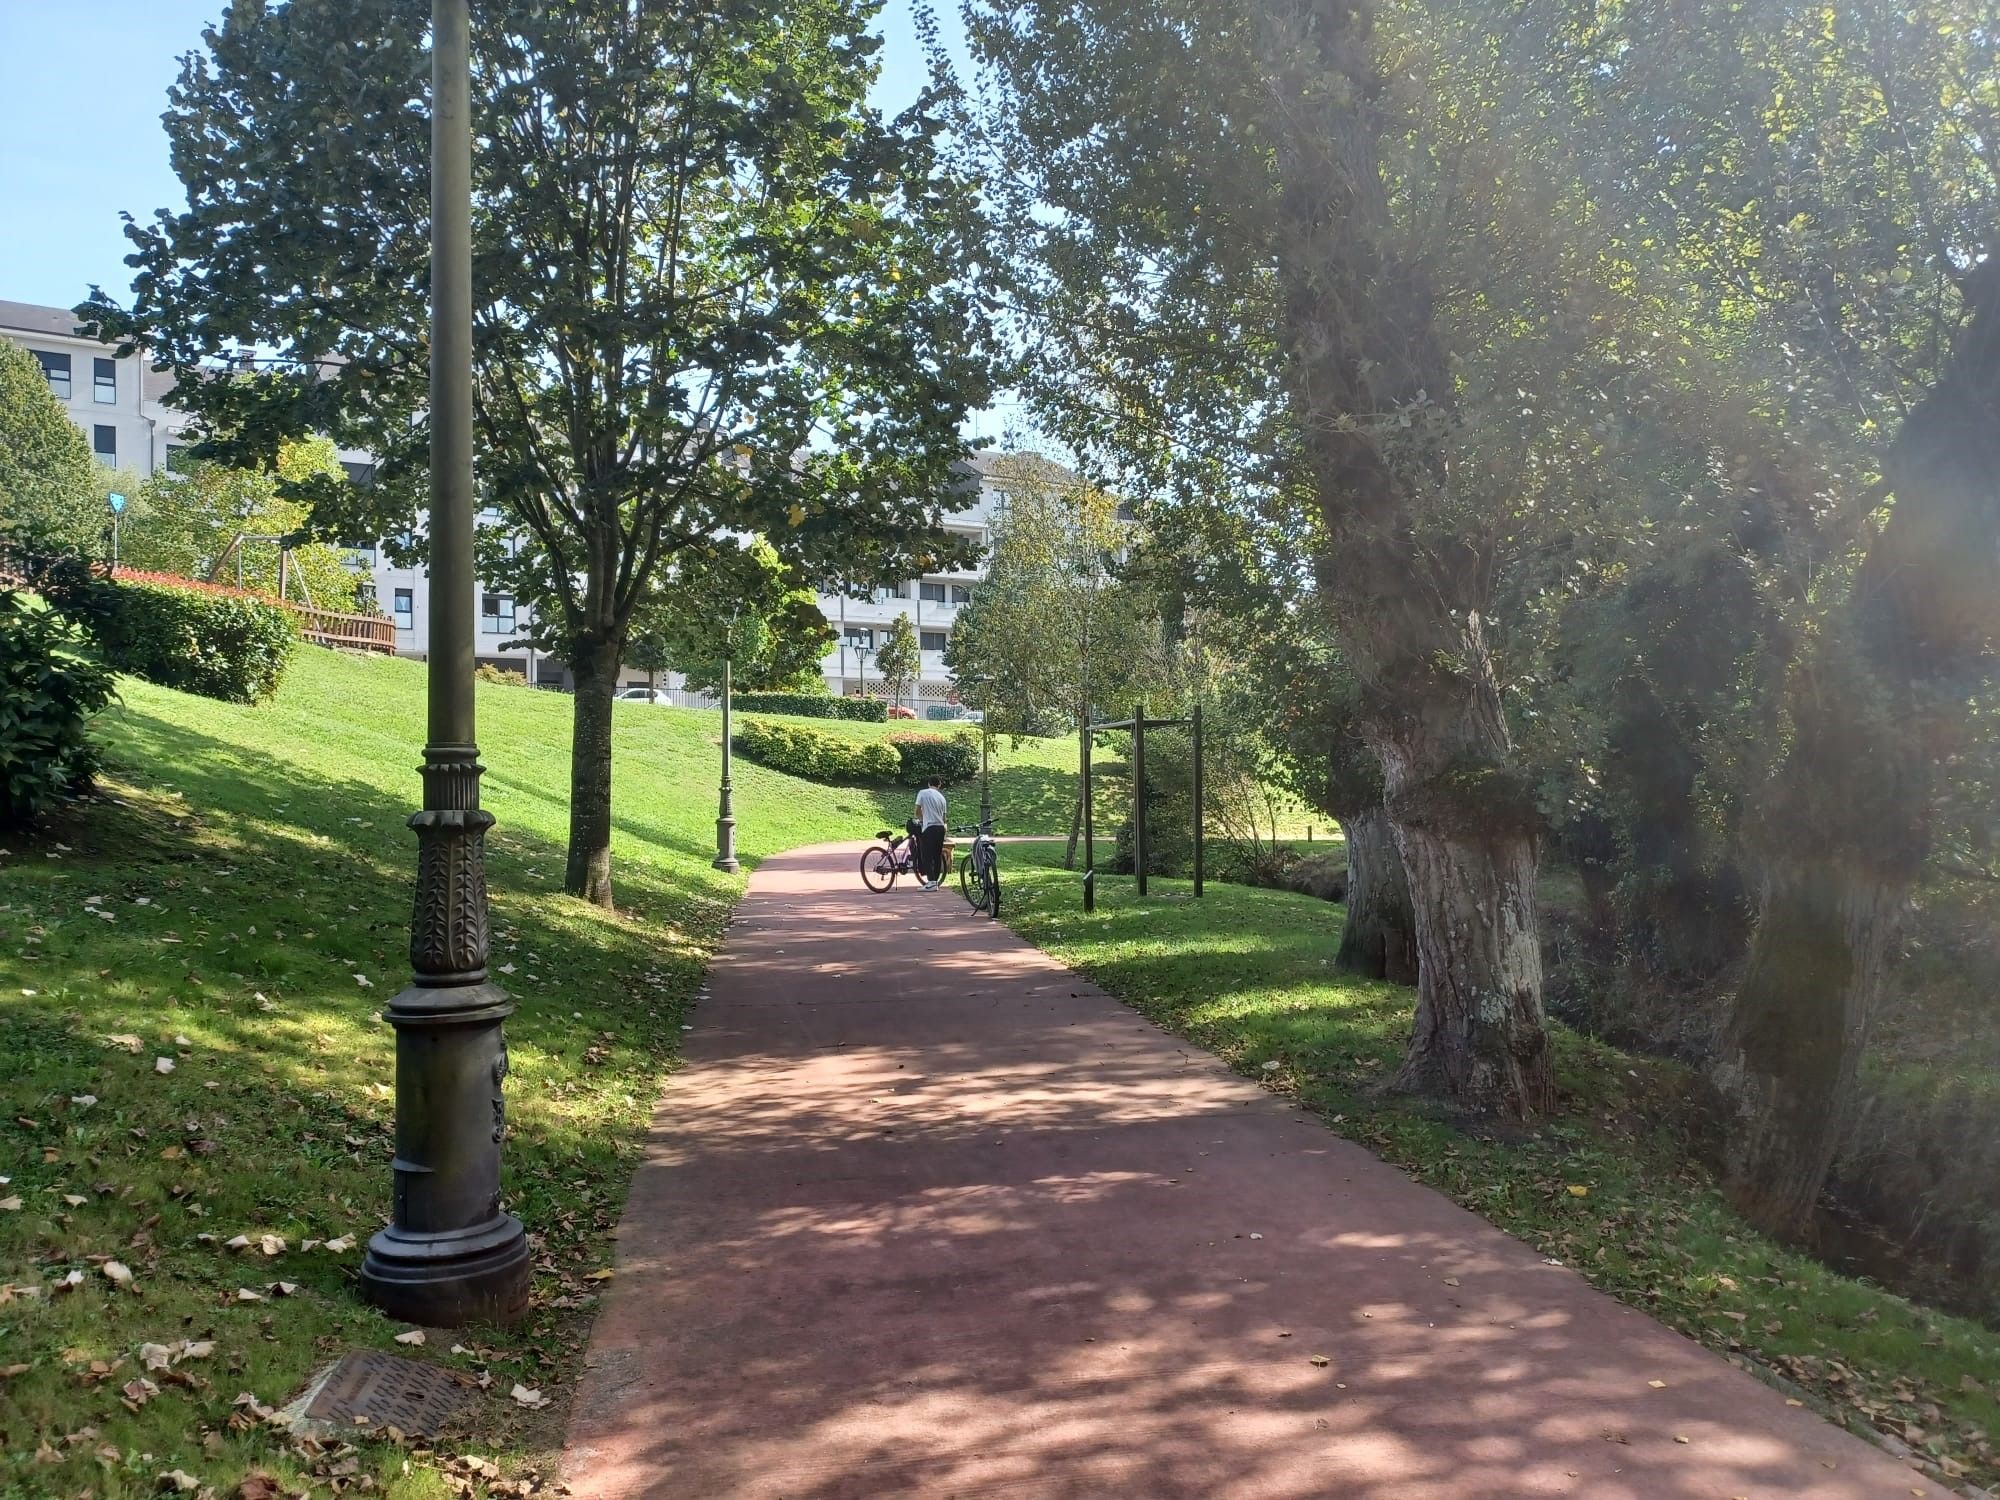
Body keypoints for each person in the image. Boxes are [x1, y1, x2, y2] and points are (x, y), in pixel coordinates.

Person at [914, 776, 949, 890]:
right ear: (939, 785)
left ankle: (931, 882)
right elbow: (944, 818)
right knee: (937, 855)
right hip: (940, 828)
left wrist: (923, 819)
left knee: (926, 855)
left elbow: (917, 811)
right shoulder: (942, 798)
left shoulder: (923, 793)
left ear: (929, 783)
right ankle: (936, 882)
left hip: (929, 827)